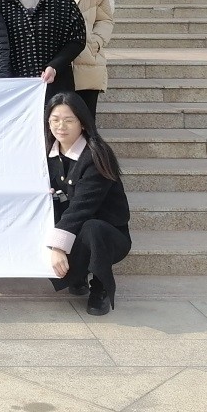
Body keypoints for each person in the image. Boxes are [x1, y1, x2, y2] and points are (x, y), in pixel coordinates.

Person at [46, 92, 131, 316]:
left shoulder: (96, 156)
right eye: (55, 120)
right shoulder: (47, 152)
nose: (60, 126)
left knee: (92, 227)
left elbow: (81, 208)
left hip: (107, 234)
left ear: (82, 123)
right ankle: (78, 274)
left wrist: (58, 247)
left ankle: (101, 287)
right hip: (74, 229)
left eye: (69, 120)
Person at [43, 0, 114, 119]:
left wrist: (96, 42)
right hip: (55, 66)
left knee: (86, 121)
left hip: (87, 61)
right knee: (57, 122)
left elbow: (105, 19)